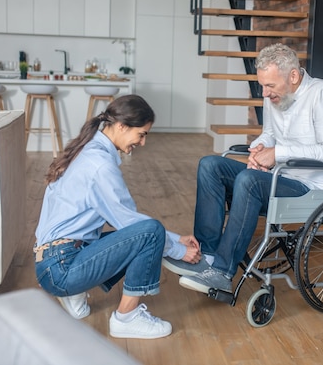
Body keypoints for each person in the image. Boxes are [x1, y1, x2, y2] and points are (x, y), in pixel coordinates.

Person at [162, 43, 323, 294]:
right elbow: (269, 134)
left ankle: (223, 272)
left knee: (249, 180)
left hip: (309, 189)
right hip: (278, 179)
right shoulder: (276, 96)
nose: (265, 93)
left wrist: (277, 153)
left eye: (270, 85)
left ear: (293, 76)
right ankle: (209, 256)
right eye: (262, 85)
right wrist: (259, 149)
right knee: (210, 165)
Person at [34, 94, 201, 339]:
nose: (142, 142)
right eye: (141, 134)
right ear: (121, 126)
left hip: (52, 260)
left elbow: (127, 227)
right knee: (151, 231)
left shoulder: (88, 148)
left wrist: (177, 238)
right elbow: (134, 224)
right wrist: (178, 250)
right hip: (62, 267)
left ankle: (72, 293)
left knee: (142, 233)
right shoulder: (100, 166)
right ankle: (126, 318)